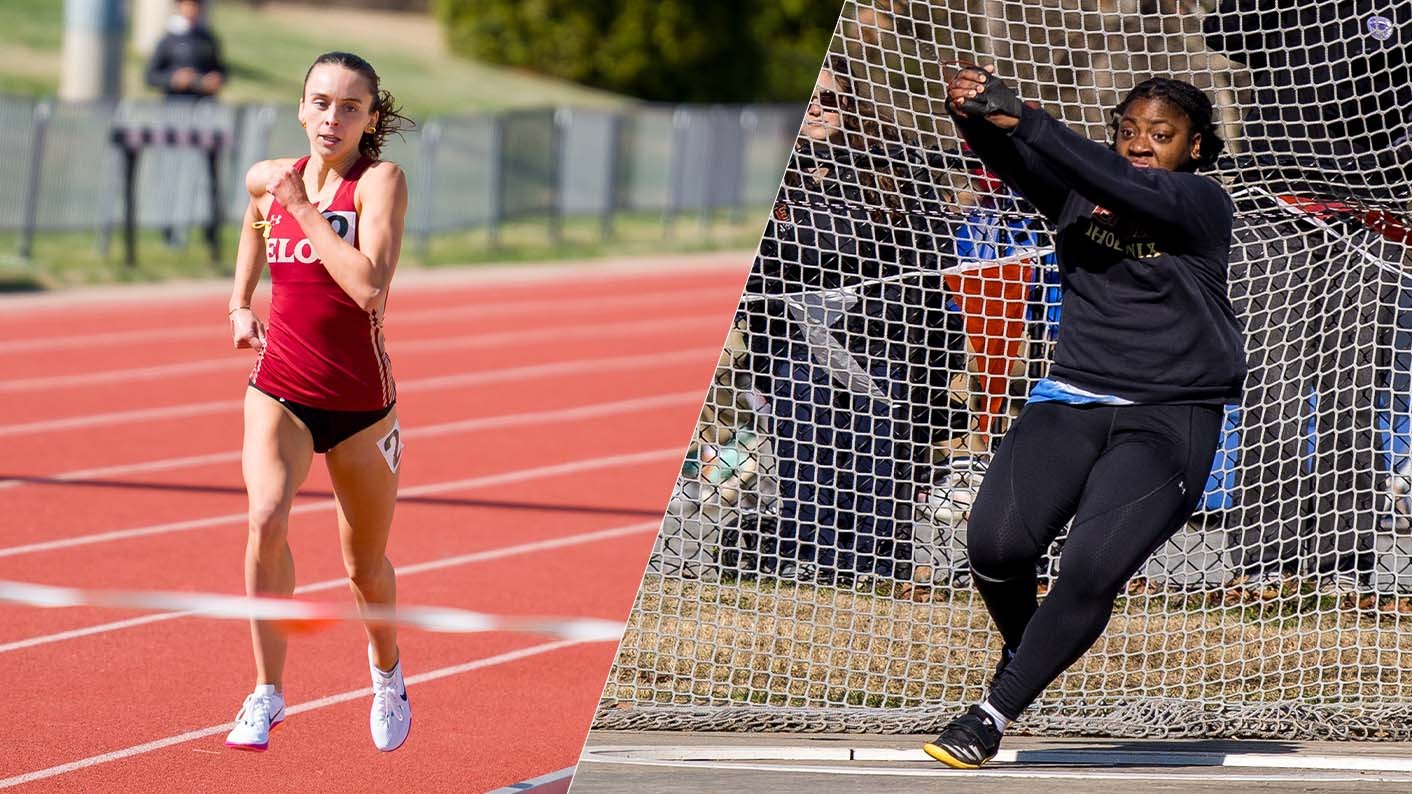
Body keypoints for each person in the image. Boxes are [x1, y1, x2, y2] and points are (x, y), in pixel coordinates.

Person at [921, 65, 1245, 768]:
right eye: (1128, 131)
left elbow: (1124, 185)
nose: (1140, 144)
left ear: (1193, 147)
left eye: (1160, 135)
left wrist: (1029, 118)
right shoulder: (1081, 193)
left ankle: (991, 713)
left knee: (1092, 566)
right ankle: (1030, 651)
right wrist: (974, 113)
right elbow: (1014, 157)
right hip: (1072, 398)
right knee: (996, 545)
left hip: (1170, 414)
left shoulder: (1198, 201)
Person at [224, 51, 412, 753]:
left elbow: (369, 287)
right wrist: (241, 302)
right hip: (282, 388)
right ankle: (267, 692)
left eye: (350, 106)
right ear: (302, 108)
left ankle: (387, 674)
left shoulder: (379, 183)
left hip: (362, 403)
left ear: (370, 118)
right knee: (265, 517)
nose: (333, 117)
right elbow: (253, 214)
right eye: (321, 102)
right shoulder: (272, 178)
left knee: (364, 565)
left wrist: (303, 209)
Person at [742, 57, 969, 586]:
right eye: (806, 99)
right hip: (794, 342)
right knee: (807, 454)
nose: (815, 108)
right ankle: (809, 561)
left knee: (876, 459)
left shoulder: (889, 169)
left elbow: (930, 254)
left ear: (852, 106)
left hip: (880, 340)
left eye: (829, 98)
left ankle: (877, 566)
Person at [145, 0, 226, 100]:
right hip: (175, 106)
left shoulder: (208, 38)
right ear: (179, 6)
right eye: (188, 5)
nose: (192, 10)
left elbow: (221, 71)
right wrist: (174, 79)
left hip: (204, 105)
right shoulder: (168, 40)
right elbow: (151, 76)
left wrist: (216, 79)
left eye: (196, 5)